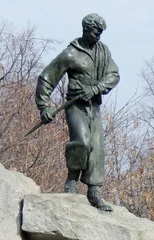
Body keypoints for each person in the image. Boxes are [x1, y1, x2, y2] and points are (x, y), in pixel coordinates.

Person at [35, 13, 120, 211]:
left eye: (101, 33)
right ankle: (72, 179)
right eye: (96, 32)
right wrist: (44, 106)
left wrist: (97, 88)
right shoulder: (71, 54)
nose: (98, 36)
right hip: (76, 106)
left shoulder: (103, 52)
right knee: (82, 142)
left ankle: (94, 191)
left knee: (97, 148)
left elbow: (113, 75)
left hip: (94, 106)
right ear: (85, 30)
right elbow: (47, 78)